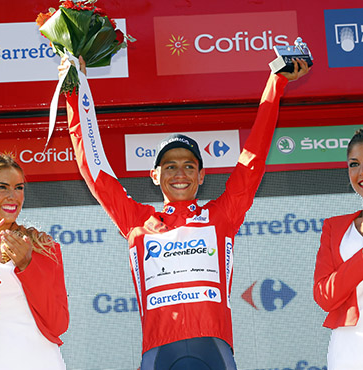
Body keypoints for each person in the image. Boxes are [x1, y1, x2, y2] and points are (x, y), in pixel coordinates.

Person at [61, 56, 310, 369]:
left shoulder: (221, 216)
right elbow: (93, 167)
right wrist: (75, 89)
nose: (180, 173)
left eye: (189, 166)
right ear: (155, 175)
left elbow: (253, 158)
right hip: (158, 350)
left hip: (214, 349)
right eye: (170, 166)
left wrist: (276, 82)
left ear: (201, 176)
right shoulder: (139, 222)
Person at [0, 153, 69, 369]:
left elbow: (58, 324)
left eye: (19, 187)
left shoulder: (43, 245)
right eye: (2, 187)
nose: (13, 196)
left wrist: (28, 267)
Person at [314, 129, 363, 370]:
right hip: (348, 350)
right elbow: (325, 296)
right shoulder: (335, 227)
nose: (361, 172)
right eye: (354, 164)